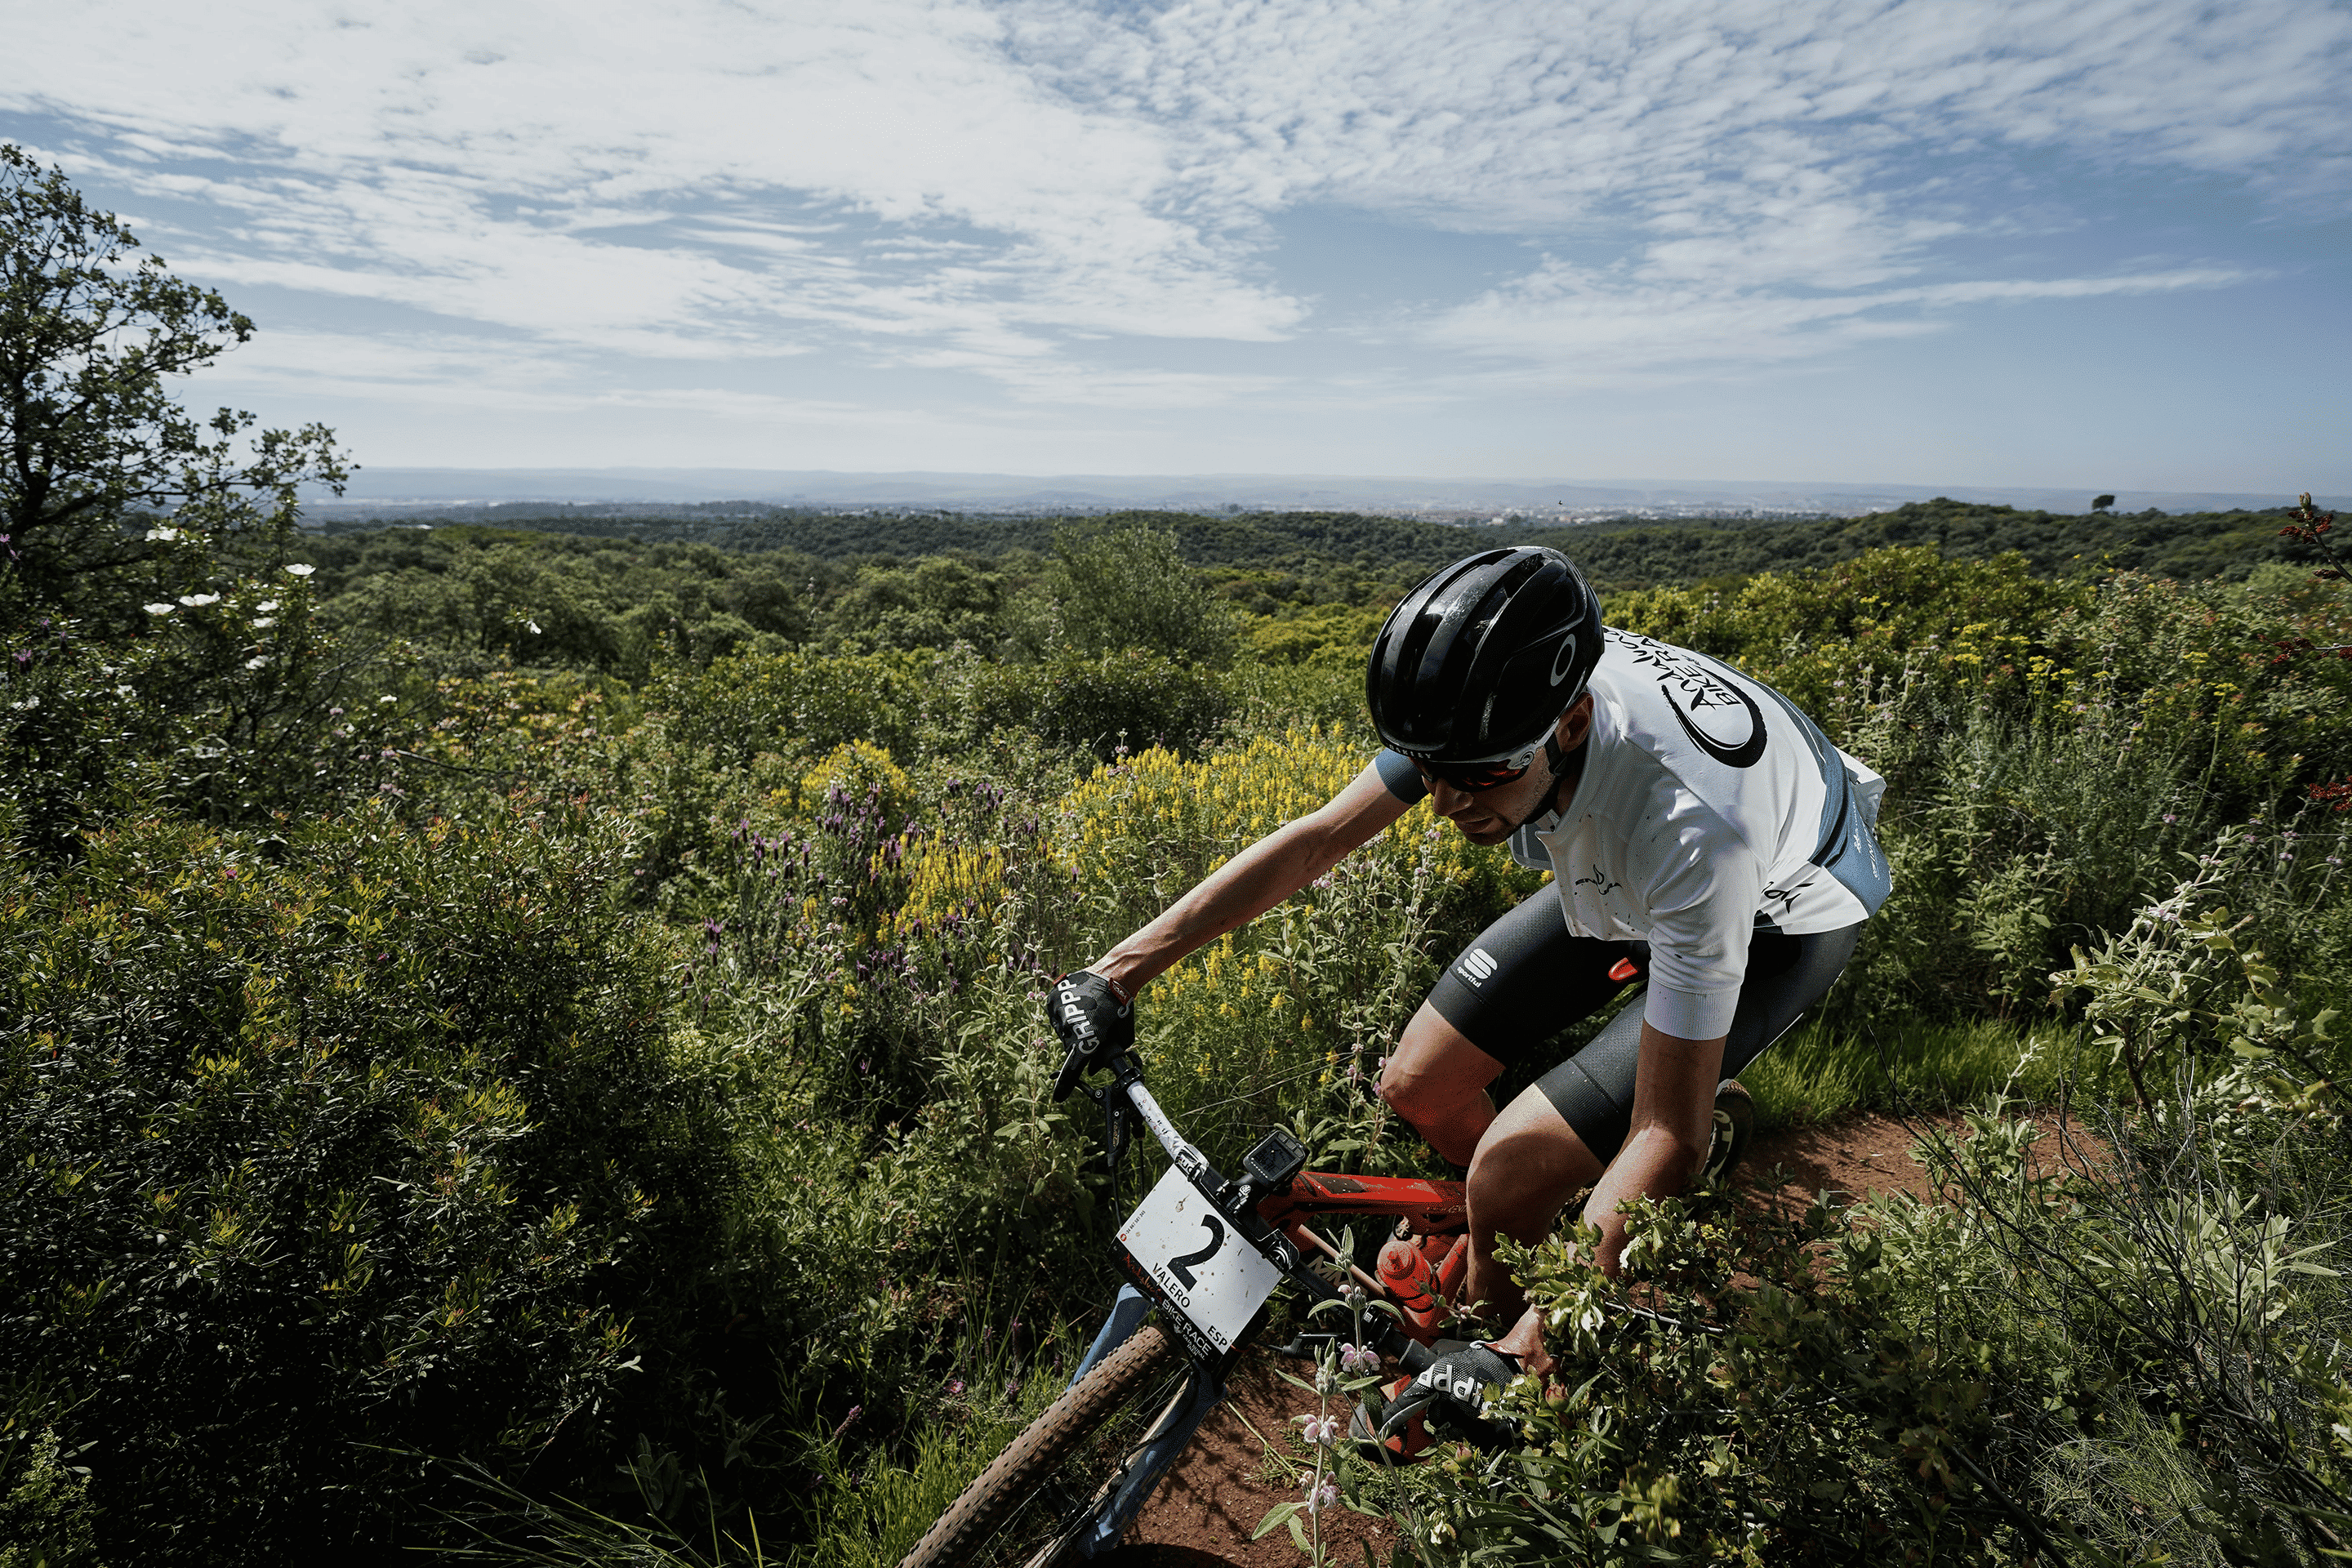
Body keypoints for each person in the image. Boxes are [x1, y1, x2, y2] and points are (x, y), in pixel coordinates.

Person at [1047, 545, 1890, 1455]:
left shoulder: (1691, 831)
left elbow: (1667, 1133)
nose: (1445, 801)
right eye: (1429, 768)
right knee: (1420, 1086)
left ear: (1570, 724)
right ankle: (1531, 1228)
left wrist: (1525, 1347)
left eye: (1478, 776)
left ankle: (1504, 1356)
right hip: (1617, 860)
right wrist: (1115, 973)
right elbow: (1317, 840)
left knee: (1510, 1168)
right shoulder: (1488, 714)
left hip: (1771, 919)